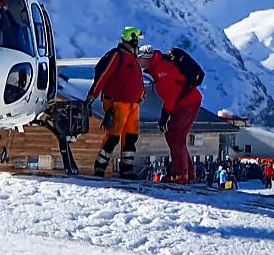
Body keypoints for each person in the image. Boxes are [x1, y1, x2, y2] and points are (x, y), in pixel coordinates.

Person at [86, 27, 146, 179]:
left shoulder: (132, 57)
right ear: (133, 40)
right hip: (117, 104)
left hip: (133, 104)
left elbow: (137, 79)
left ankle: (126, 169)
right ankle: (100, 167)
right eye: (138, 40)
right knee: (113, 137)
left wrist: (141, 94)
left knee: (131, 138)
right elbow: (104, 76)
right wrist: (92, 95)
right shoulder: (117, 56)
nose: (139, 43)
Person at [139, 45, 203, 184]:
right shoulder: (157, 67)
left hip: (187, 102)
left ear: (146, 58)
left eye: (140, 59)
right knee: (175, 136)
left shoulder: (161, 68)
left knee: (175, 136)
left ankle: (180, 174)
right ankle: (187, 173)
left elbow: (172, 92)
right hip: (184, 102)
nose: (138, 62)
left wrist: (165, 114)